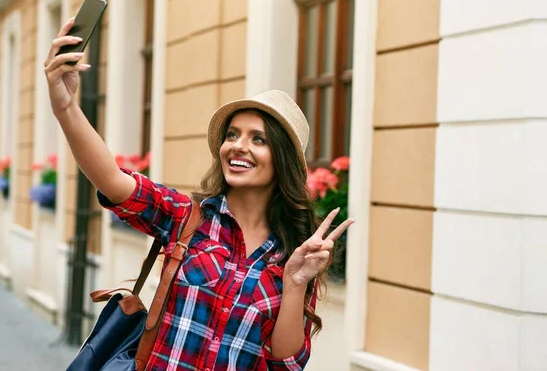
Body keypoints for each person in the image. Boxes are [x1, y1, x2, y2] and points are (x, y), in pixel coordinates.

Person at [44, 18, 353, 371]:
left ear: (282, 161)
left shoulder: (296, 253)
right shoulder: (186, 218)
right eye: (233, 134)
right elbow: (112, 181)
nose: (238, 146)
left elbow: (286, 364)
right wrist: (65, 107)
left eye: (258, 139)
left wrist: (295, 283)